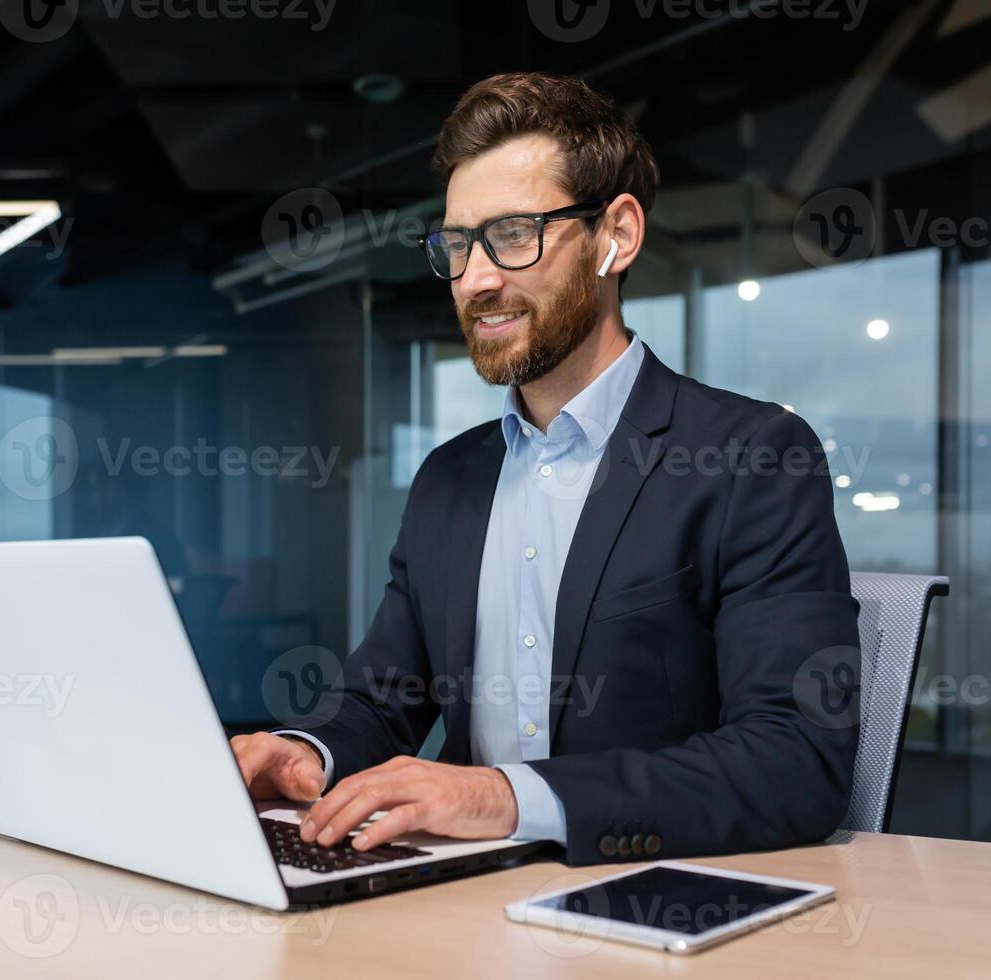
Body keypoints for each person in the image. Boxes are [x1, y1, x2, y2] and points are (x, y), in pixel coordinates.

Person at [232, 72, 860, 866]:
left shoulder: (750, 456)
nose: (477, 278)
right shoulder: (449, 480)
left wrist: (505, 797)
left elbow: (795, 763)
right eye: (457, 245)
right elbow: (379, 700)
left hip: (660, 898)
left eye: (514, 234)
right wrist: (307, 754)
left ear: (616, 236)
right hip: (466, 897)